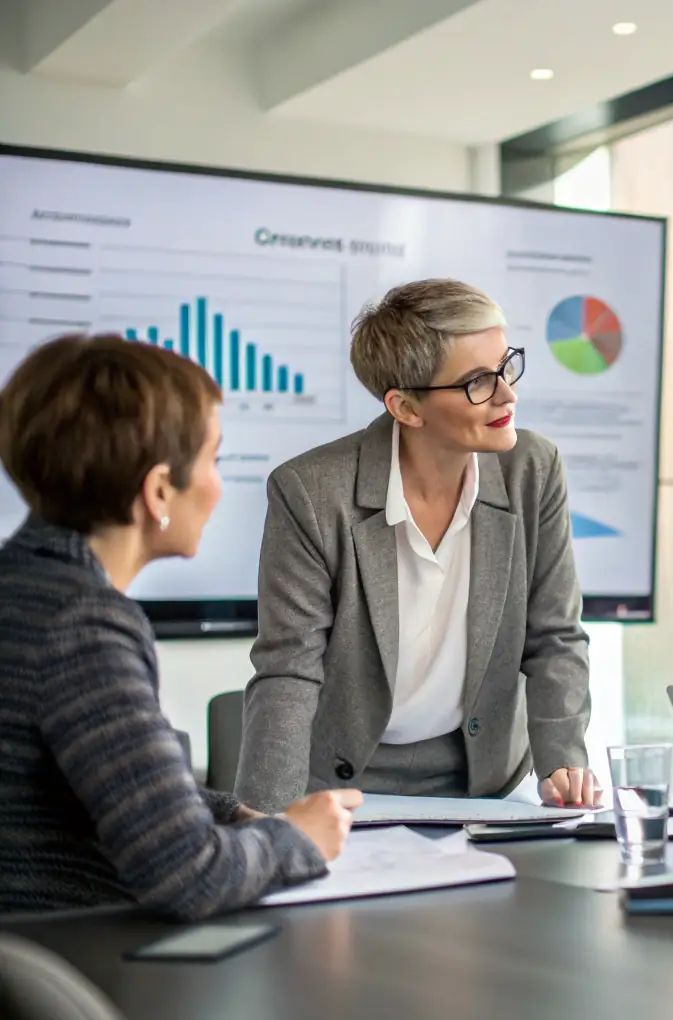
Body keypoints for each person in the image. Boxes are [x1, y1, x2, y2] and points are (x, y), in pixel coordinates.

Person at [0, 335, 360, 920]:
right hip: (79, 970)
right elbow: (188, 876)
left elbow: (117, 780)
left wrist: (233, 813)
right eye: (214, 460)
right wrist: (299, 840)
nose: (218, 485)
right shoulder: (82, 627)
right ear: (160, 489)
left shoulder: (25, 591)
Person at [235, 279, 596, 815]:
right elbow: (290, 669)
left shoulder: (533, 470)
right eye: (478, 382)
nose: (507, 394)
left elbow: (554, 637)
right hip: (341, 787)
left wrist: (563, 761)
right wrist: (265, 825)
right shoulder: (311, 492)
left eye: (506, 365)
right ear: (405, 407)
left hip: (484, 783)